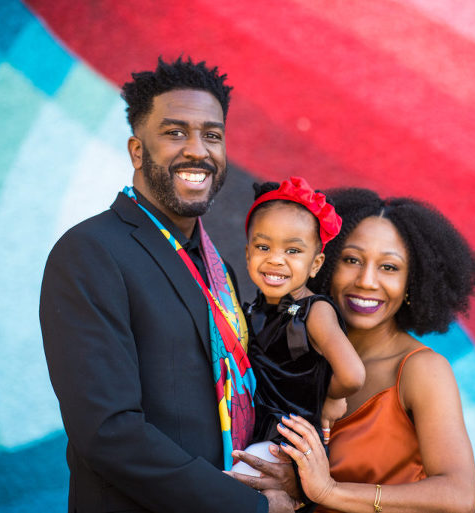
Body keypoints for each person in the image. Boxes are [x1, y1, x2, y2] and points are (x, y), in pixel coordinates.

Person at [40, 57, 294, 513]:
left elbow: (246, 390)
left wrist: (283, 465)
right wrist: (246, 507)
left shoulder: (221, 271)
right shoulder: (89, 253)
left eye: (211, 135)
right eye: (175, 132)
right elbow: (108, 433)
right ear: (137, 151)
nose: (197, 150)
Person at [233, 188, 475, 513]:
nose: (367, 281)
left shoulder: (420, 369)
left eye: (389, 267)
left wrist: (329, 491)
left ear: (414, 282)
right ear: (321, 263)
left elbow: (459, 496)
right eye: (351, 260)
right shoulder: (291, 350)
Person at [232, 177, 365, 477]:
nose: (275, 259)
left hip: (288, 441)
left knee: (234, 483)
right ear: (248, 254)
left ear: (315, 264)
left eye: (292, 251)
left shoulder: (314, 313)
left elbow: (353, 375)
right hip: (255, 426)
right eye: (263, 246)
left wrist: (327, 396)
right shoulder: (252, 308)